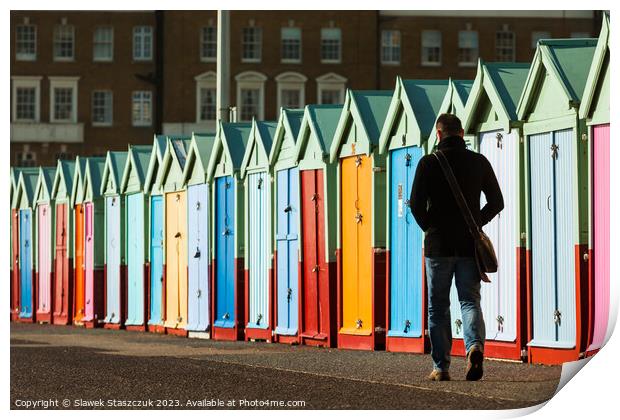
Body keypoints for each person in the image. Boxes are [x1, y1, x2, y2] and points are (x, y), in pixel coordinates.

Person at [409, 113, 504, 381]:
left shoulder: (428, 163)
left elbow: (415, 204)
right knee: (469, 300)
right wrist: (475, 222)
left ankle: (441, 368)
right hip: (468, 245)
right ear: (462, 133)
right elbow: (497, 201)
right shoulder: (478, 162)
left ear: (438, 135)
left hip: (438, 246)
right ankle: (474, 346)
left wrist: (431, 227)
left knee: (437, 306)